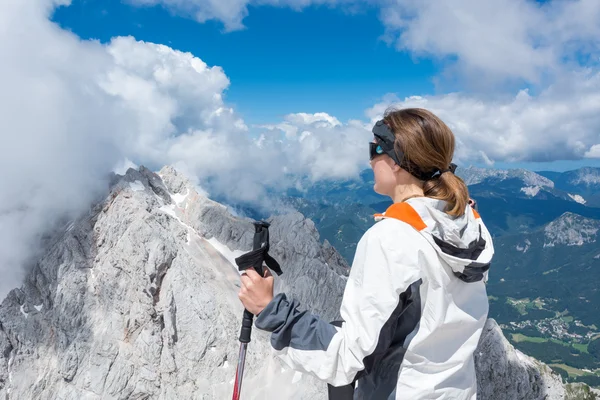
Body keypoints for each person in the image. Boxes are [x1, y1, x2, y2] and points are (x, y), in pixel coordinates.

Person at [238, 108, 494, 399]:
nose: (370, 160)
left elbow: (346, 360)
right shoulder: (468, 226)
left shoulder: (391, 239)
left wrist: (271, 310)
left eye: (374, 149)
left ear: (396, 161)